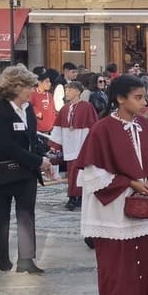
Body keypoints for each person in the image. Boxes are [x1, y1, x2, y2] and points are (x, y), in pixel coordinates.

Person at [75, 75, 148, 295]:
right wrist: (130, 181)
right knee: (117, 267)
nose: (144, 102)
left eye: (144, 96)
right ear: (120, 98)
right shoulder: (103, 129)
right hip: (111, 208)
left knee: (138, 262)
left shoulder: (143, 127)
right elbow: (92, 174)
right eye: (138, 97)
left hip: (139, 204)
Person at [0, 66, 52, 274]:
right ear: (16, 87)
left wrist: (44, 160)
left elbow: (32, 140)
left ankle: (26, 260)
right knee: (0, 217)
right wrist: (37, 161)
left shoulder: (27, 109)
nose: (33, 90)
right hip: (0, 173)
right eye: (29, 86)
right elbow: (5, 146)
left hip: (25, 172)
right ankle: (2, 259)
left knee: (26, 215)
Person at [50, 82, 99, 211]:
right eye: (66, 90)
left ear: (78, 92)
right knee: (72, 172)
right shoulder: (64, 108)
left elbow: (93, 127)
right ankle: (73, 196)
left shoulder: (87, 107)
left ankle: (79, 197)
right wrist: (56, 145)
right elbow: (58, 128)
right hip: (69, 144)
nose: (67, 92)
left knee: (81, 173)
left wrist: (92, 145)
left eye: (70, 90)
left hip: (82, 143)